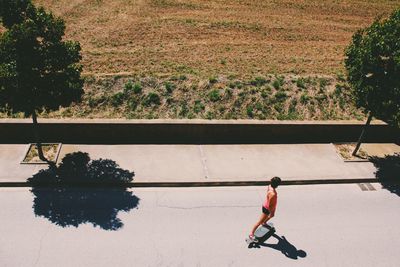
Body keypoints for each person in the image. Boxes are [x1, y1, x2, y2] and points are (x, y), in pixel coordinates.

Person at [249, 176, 281, 241]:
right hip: (267, 208)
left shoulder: (270, 186)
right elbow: (269, 204)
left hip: (272, 206)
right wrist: (270, 211)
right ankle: (251, 234)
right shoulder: (273, 194)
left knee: (272, 215)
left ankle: (264, 223)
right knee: (259, 222)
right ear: (277, 184)